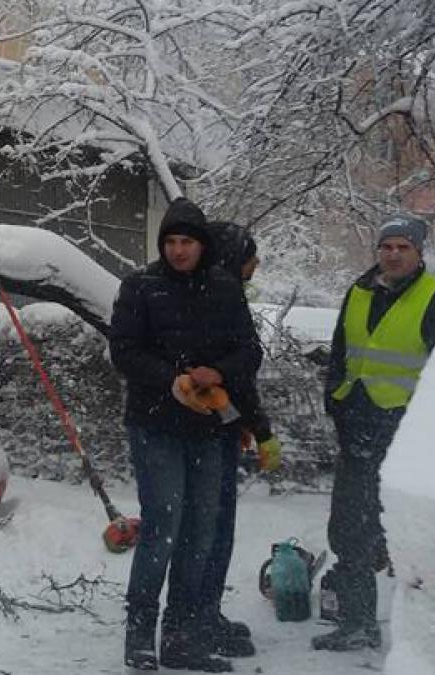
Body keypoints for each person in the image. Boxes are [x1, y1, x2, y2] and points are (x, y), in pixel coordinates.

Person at [111, 198, 263, 672]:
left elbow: (249, 351)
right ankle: (140, 634)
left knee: (200, 532)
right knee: (163, 527)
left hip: (208, 431)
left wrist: (218, 373)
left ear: (202, 246)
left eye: (187, 242)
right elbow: (124, 352)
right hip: (155, 426)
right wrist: (171, 380)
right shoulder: (140, 286)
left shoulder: (224, 287)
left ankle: (179, 635)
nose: (179, 250)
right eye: (171, 242)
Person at [315, 213, 435, 651]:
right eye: (387, 246)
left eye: (403, 247)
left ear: (419, 252)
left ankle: (429, 637)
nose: (394, 254)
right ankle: (358, 622)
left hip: (409, 440)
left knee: (417, 540)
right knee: (349, 530)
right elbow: (341, 354)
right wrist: (336, 400)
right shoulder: (359, 292)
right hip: (358, 429)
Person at [167, 221, 281, 660]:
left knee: (211, 532)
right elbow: (236, 377)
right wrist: (261, 430)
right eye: (251, 257)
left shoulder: (216, 294)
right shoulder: (217, 300)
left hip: (215, 429)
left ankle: (204, 614)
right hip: (206, 434)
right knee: (209, 532)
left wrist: (246, 423)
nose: (257, 265)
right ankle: (193, 620)